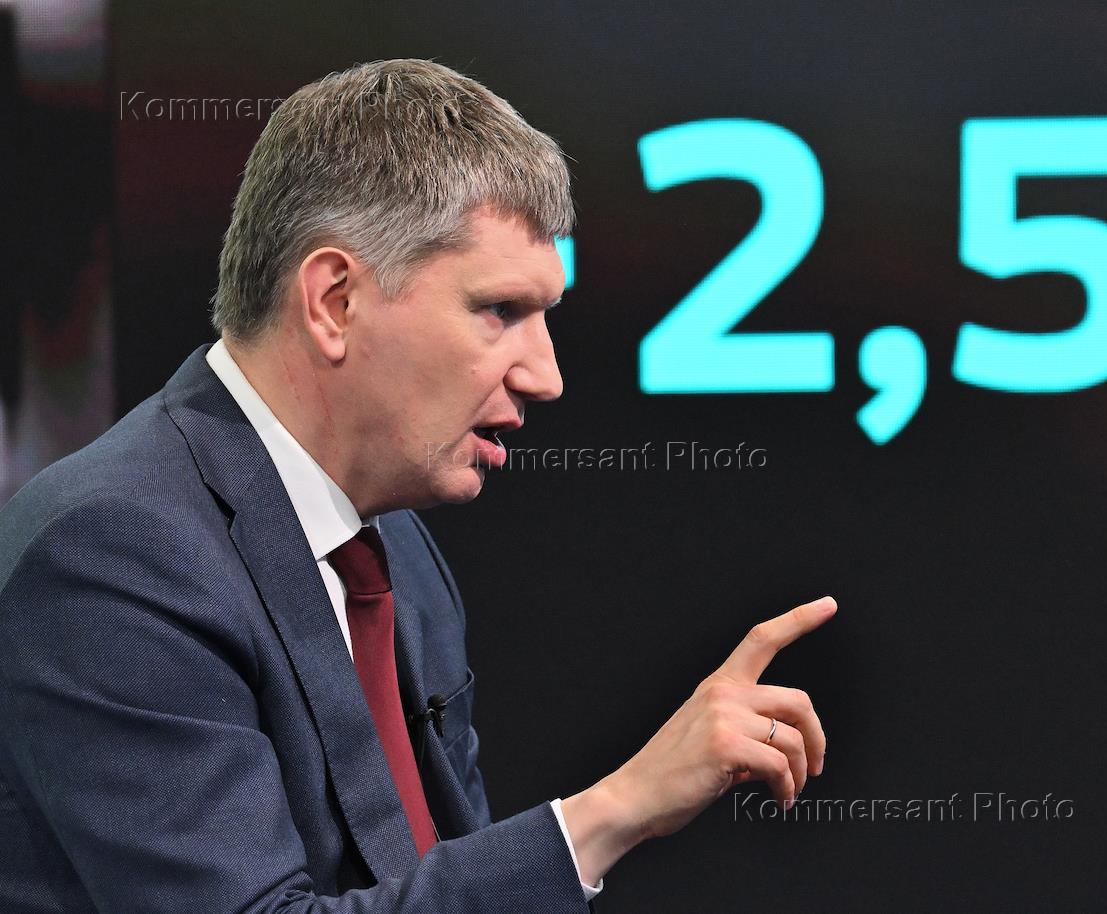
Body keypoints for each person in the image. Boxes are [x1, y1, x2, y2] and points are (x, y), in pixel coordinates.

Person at [0, 59, 835, 912]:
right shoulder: (110, 557)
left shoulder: (396, 548)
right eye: (501, 311)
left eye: (545, 316)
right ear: (334, 301)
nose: (546, 375)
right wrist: (613, 812)